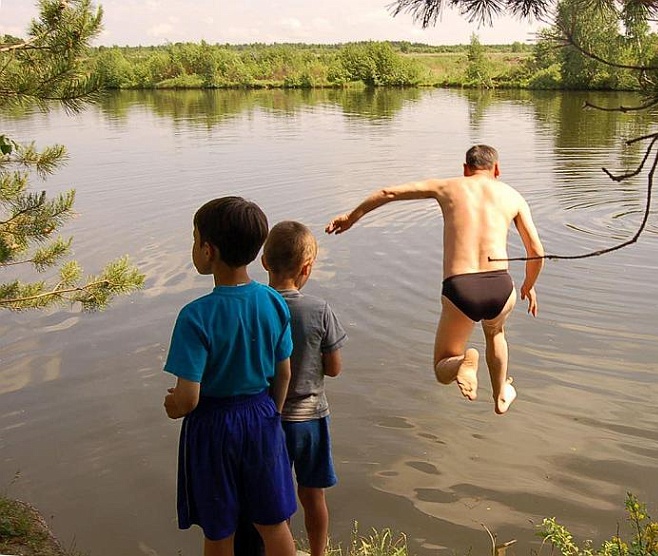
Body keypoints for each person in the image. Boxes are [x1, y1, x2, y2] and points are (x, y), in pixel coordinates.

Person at [325, 144, 544, 415]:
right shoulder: (513, 196)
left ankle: (464, 361)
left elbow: (388, 192)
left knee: (443, 366)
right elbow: (536, 253)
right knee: (495, 332)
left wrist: (351, 217)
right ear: (497, 169)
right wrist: (528, 286)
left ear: (465, 169)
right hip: (501, 285)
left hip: (461, 287)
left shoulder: (448, 187)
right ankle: (501, 395)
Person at [163, 196, 298, 556]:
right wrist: (273, 413)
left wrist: (172, 406)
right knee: (273, 522)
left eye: (194, 240)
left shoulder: (195, 316)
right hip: (262, 416)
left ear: (208, 251)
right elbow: (283, 373)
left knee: (219, 527)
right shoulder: (273, 302)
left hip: (213, 427)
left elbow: (188, 397)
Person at [236, 221, 347, 556]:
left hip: (269, 419)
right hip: (312, 419)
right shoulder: (319, 309)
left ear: (265, 262)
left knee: (270, 496)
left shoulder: (254, 306)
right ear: (307, 268)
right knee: (313, 495)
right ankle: (317, 553)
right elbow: (334, 368)